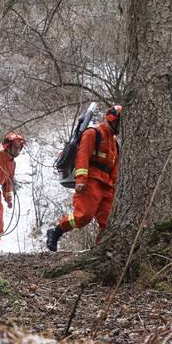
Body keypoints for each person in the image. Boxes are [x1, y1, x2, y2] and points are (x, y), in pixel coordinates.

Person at [46, 105, 121, 252]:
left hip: (107, 185)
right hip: (90, 180)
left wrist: (114, 185)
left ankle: (100, 249)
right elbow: (82, 156)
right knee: (83, 216)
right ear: (112, 119)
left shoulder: (115, 143)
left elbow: (114, 166)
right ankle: (56, 231)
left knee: (108, 221)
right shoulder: (93, 133)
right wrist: (81, 179)